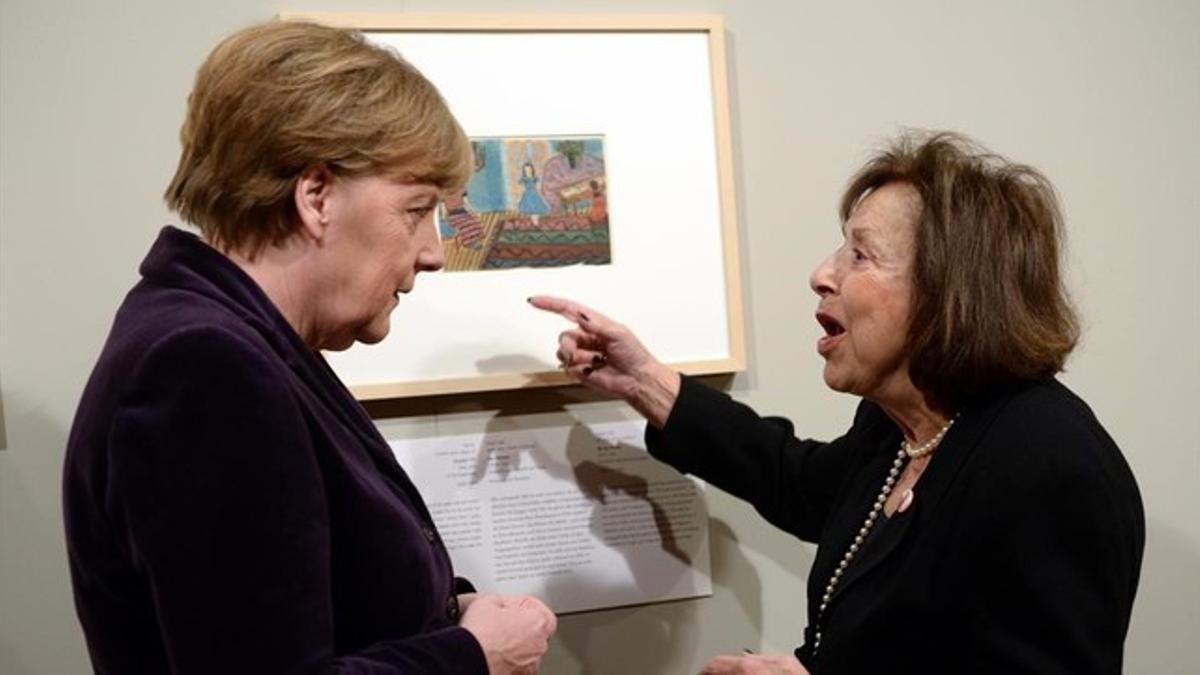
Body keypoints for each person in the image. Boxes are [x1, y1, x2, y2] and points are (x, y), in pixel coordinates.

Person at [531, 131, 1143, 674]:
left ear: (948, 291)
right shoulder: (901, 424)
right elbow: (798, 481)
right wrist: (645, 382)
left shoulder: (1051, 469)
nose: (822, 273)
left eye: (860, 253)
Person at [63, 20, 556, 674]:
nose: (435, 252)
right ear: (316, 196)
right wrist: (473, 654)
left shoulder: (240, 337)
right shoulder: (204, 364)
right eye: (416, 210)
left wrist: (447, 614)